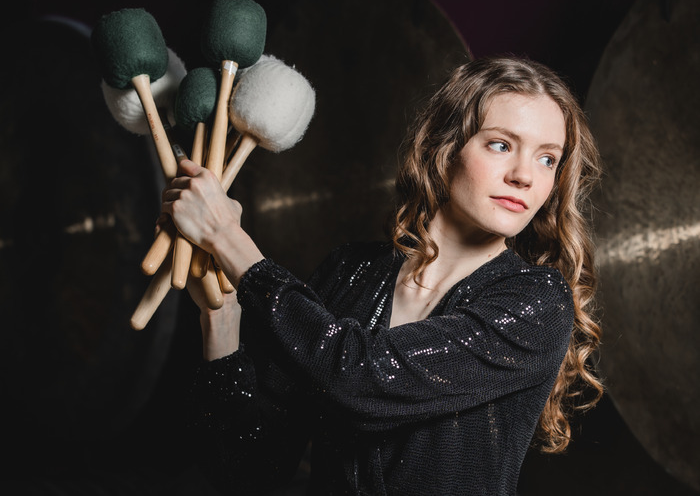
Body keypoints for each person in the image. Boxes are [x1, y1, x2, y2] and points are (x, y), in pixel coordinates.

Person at [162, 55, 604, 495]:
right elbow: (250, 472)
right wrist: (221, 317)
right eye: (501, 145)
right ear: (444, 147)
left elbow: (363, 377)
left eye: (548, 159)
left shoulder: (537, 301)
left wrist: (231, 241)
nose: (525, 175)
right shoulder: (349, 271)